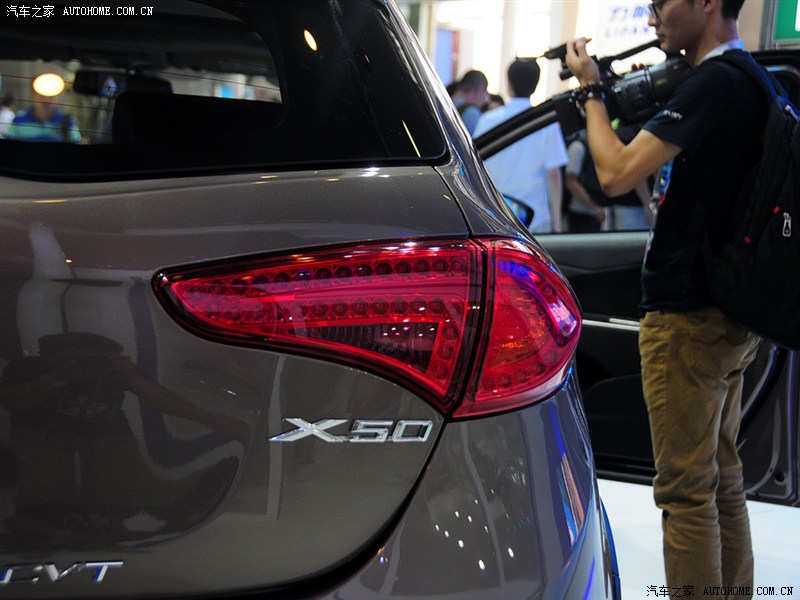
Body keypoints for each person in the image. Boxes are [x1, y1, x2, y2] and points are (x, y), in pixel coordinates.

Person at [566, 1, 763, 597]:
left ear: (706, 3)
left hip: (688, 317)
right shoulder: (752, 79)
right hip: (730, 313)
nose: (653, 16)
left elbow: (616, 172)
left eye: (661, 3)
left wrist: (590, 93)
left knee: (685, 493)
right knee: (721, 480)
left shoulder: (713, 83)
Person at [473, 58, 568, 233]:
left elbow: (475, 167)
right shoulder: (546, 122)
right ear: (536, 85)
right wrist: (557, 223)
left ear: (508, 84)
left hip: (495, 215)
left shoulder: (488, 120)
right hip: (535, 219)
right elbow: (554, 174)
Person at [565, 125, 653, 232]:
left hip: (604, 209)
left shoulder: (604, 146)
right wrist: (594, 207)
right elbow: (571, 182)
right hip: (585, 212)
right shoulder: (579, 147)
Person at [5, 91, 81, 143]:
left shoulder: (67, 120)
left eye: (50, 96)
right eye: (41, 95)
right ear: (33, 96)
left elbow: (76, 142)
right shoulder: (18, 119)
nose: (46, 100)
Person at [450, 69, 489, 135]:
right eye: (484, 95)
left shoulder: (442, 103)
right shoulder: (471, 113)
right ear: (478, 92)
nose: (483, 101)